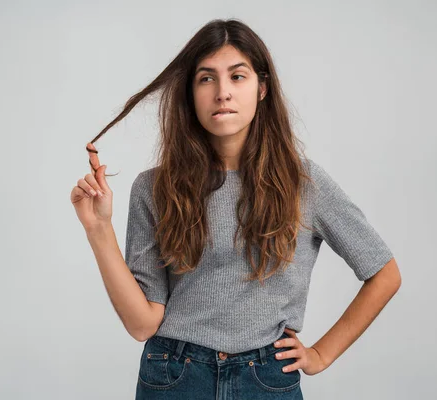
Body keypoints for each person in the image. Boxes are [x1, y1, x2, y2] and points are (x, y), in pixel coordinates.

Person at [70, 18, 401, 400]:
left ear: (262, 88)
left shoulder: (303, 182)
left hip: (265, 379)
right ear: (190, 93)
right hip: (175, 375)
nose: (222, 92)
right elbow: (143, 324)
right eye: (206, 78)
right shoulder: (154, 188)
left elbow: (384, 273)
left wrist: (320, 355)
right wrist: (98, 230)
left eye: (237, 77)